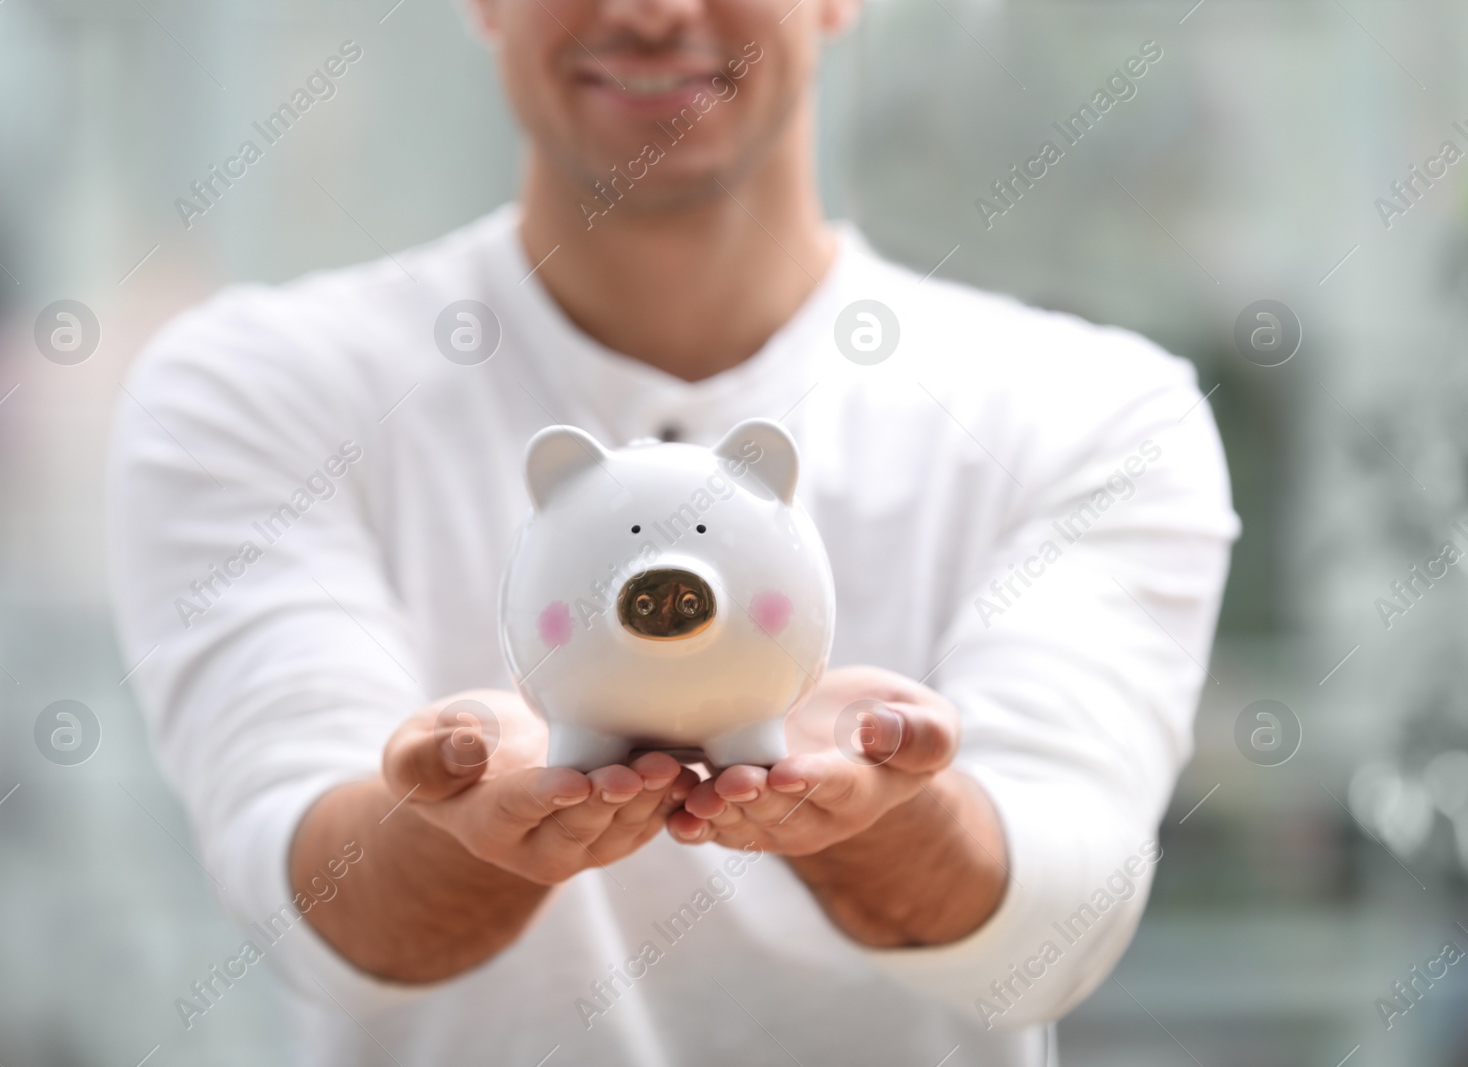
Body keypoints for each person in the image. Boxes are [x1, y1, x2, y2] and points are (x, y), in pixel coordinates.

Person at [107, 0, 1238, 1062]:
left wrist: (884, 818)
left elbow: (1054, 926)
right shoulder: (257, 393)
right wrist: (457, 823)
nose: (650, 10)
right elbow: (311, 904)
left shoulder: (1092, 417)